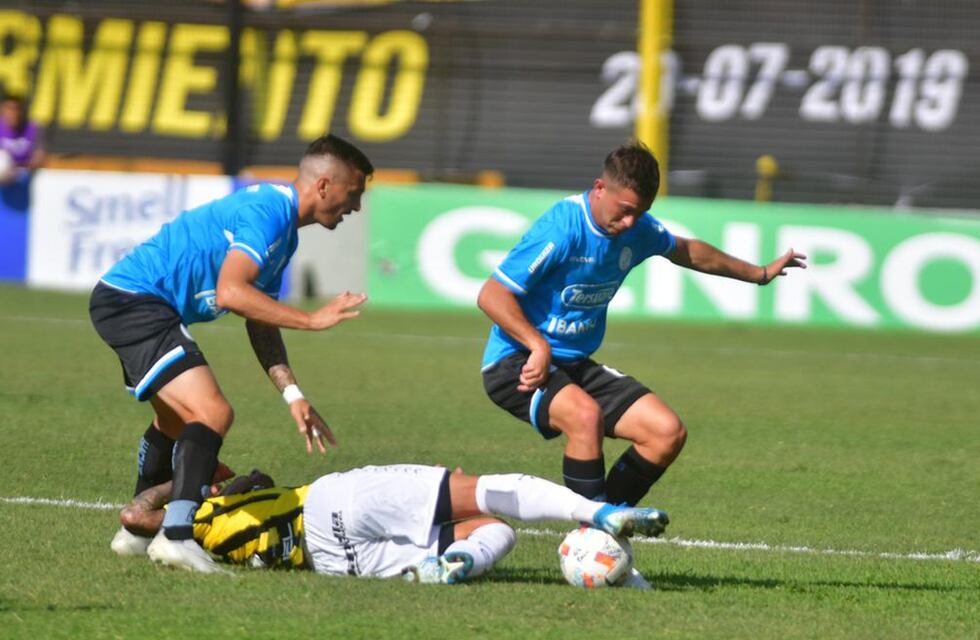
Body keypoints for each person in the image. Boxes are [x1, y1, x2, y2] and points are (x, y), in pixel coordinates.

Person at [90, 134, 373, 573]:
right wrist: (313, 320)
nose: (355, 207)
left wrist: (293, 394)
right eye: (353, 193)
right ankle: (178, 536)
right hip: (136, 301)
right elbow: (232, 291)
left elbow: (260, 322)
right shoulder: (269, 213)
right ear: (323, 186)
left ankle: (136, 532)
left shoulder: (283, 234)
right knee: (213, 413)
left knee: (173, 420)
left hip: (135, 303)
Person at [478, 141, 807, 506]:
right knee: (586, 417)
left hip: (572, 365)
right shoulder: (562, 228)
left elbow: (688, 251)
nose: (631, 222)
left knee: (665, 432)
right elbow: (492, 294)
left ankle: (601, 536)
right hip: (515, 361)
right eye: (625, 210)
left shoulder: (636, 228)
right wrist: (538, 345)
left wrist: (759, 273)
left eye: (642, 212)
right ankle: (593, 529)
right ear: (600, 188)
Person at [118, 464, 670, 584]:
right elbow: (135, 514)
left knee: (495, 531)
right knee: (488, 489)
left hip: (332, 560)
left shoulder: (215, 530)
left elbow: (247, 473)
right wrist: (184, 486)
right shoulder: (199, 518)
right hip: (337, 502)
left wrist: (204, 488)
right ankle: (601, 512)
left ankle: (453, 567)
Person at [0, 92, 45, 184]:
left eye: (16, 109)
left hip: (22, 184)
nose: (12, 113)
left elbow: (40, 155)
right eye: (9, 109)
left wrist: (20, 170)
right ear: (2, 110)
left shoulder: (32, 128)